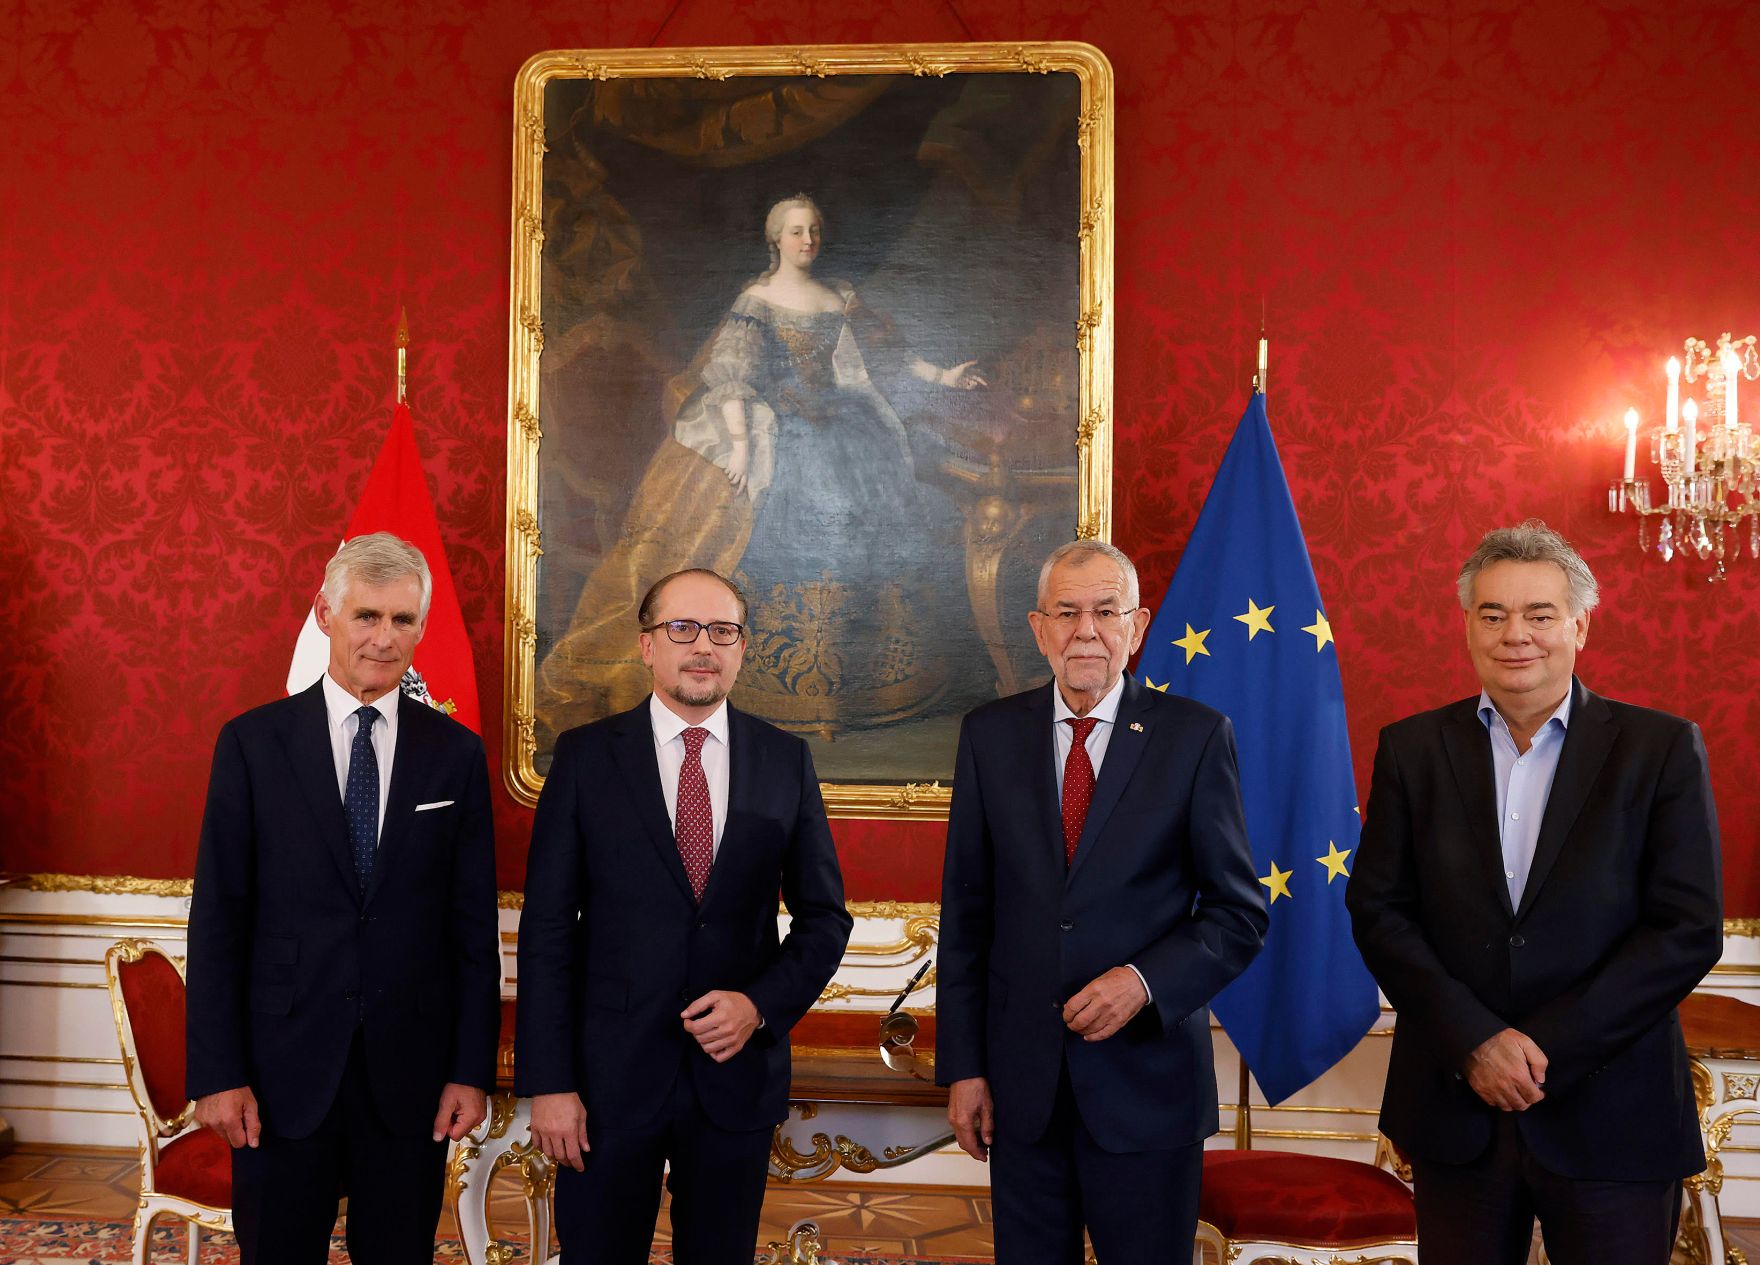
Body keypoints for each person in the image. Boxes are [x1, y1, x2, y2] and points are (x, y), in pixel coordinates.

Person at [1346, 521, 1723, 1265]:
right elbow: (1379, 911)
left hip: (1614, 1112)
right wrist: (1475, 1042)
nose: (1515, 634)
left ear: (1579, 626)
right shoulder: (1412, 748)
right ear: (1468, 627)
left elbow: (1685, 928)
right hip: (1457, 1106)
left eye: (1539, 614)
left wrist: (1546, 1048)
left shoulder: (1660, 748)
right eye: (1492, 614)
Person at [537, 194, 985, 744]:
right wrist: (742, 448)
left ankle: (859, 685)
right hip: (780, 431)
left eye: (814, 230)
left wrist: (944, 377)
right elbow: (732, 376)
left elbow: (886, 356)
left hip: (848, 428)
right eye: (796, 231)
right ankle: (772, 686)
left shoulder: (840, 295)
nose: (807, 240)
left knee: (862, 533)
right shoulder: (758, 299)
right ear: (776, 239)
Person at [936, 539, 1268, 1261]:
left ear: (1137, 626)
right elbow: (966, 917)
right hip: (1023, 1094)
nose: (1085, 630)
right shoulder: (989, 735)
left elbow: (1238, 912)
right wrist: (964, 1067)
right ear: (1039, 629)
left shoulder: (1194, 737)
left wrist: (1143, 982)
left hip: (1148, 1089)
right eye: (1067, 612)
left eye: (1106, 611)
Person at [517, 567, 853, 1262]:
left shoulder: (784, 759)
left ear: (742, 648)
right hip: (606, 1086)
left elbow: (825, 919)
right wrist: (550, 1083)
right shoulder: (584, 757)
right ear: (648, 646)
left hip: (734, 1081)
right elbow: (547, 929)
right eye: (683, 628)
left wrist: (758, 1005)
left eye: (723, 631)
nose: (704, 645)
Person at [185, 532, 501, 1265]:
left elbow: (470, 931)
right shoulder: (252, 745)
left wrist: (469, 1071)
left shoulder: (455, 754)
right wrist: (219, 1074)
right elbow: (220, 922)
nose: (384, 638)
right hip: (279, 1075)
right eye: (367, 616)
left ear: (421, 628)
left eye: (402, 620)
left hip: (410, 1077)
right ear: (326, 614)